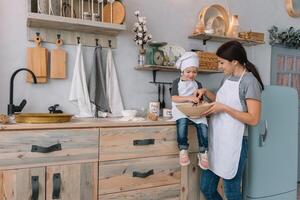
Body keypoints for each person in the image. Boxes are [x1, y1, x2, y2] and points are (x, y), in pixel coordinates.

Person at [198, 40, 264, 200]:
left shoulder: (250, 82)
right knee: (206, 188)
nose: (219, 66)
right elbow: (222, 101)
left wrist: (224, 109)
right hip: (217, 140)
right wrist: (206, 92)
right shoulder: (226, 79)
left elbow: (253, 119)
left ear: (234, 62)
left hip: (236, 143)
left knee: (232, 192)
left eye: (222, 62)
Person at [171, 51, 209, 169]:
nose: (191, 75)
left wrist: (201, 102)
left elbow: (200, 99)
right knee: (182, 124)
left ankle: (203, 152)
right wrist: (188, 98)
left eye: (194, 72)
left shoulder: (198, 84)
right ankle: (183, 149)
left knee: (203, 126)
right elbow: (174, 98)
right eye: (188, 72)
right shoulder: (176, 82)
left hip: (194, 111)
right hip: (181, 109)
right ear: (182, 71)